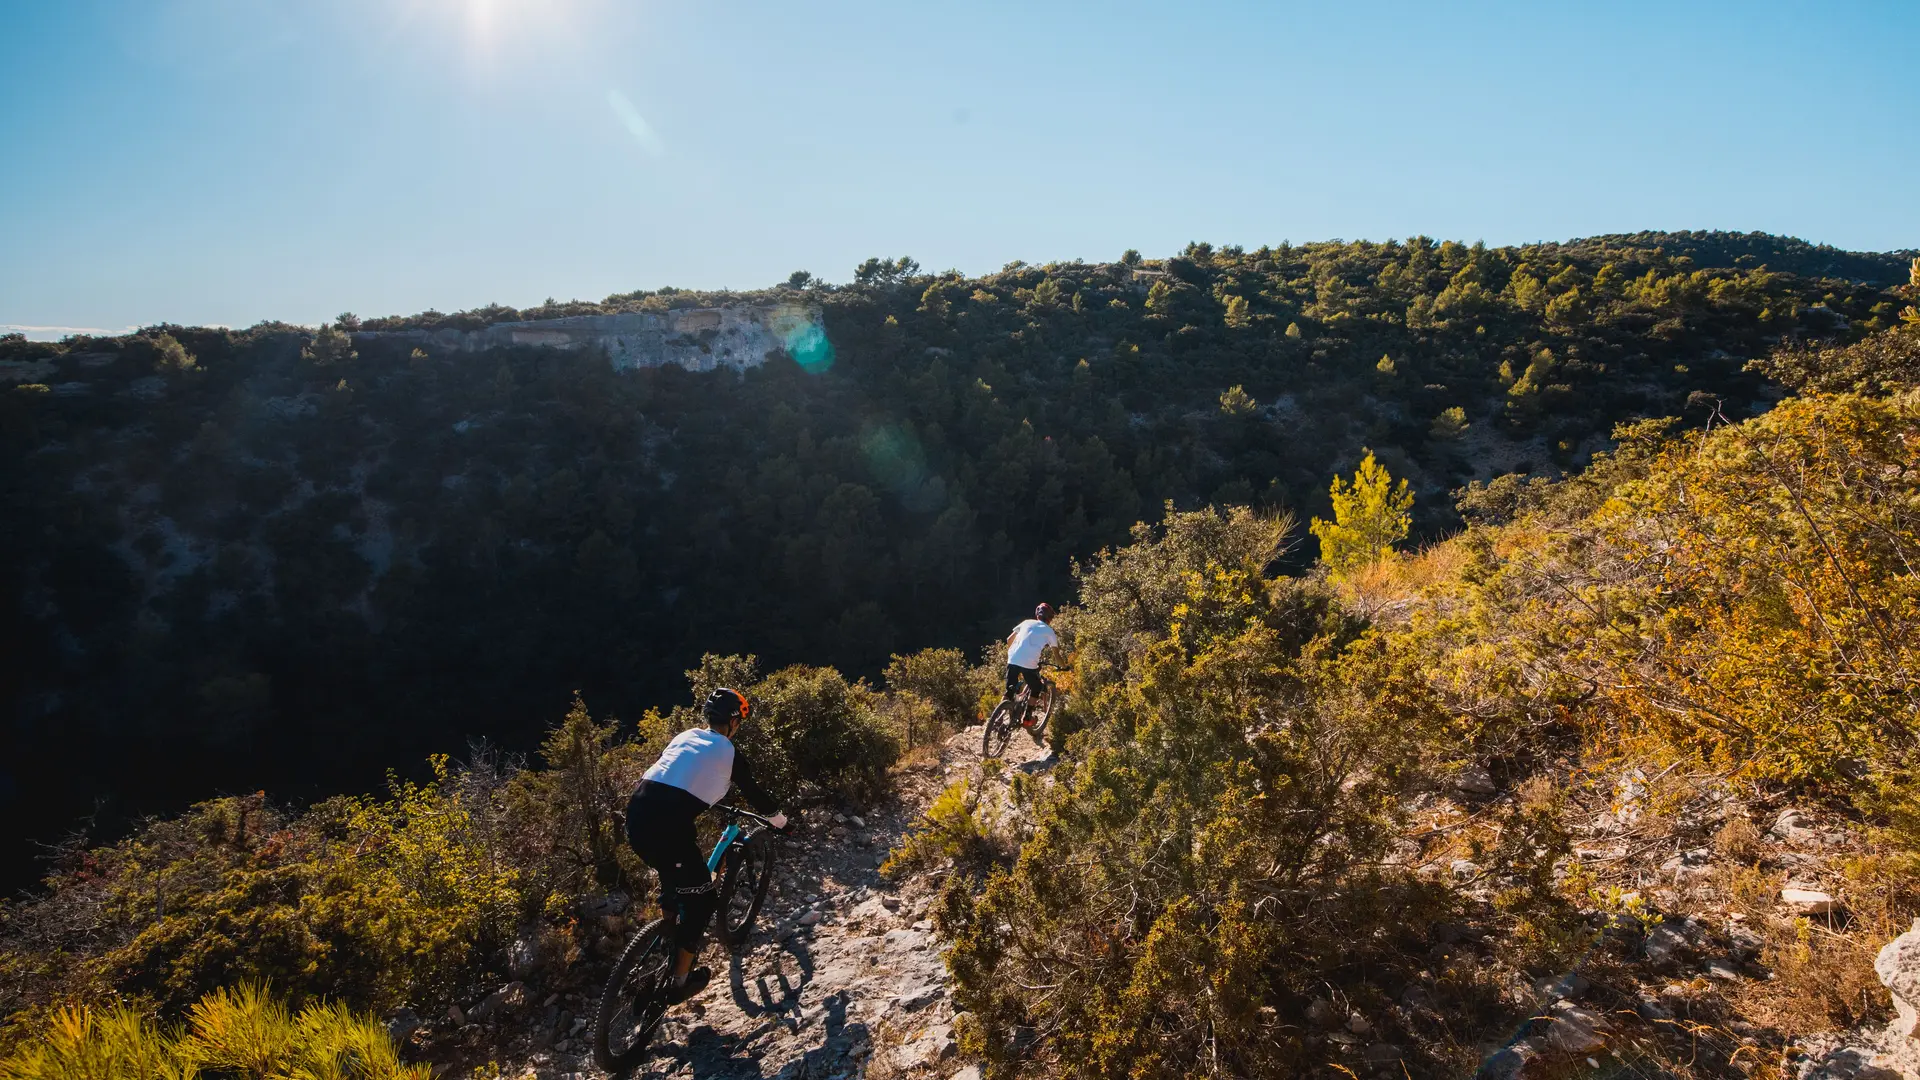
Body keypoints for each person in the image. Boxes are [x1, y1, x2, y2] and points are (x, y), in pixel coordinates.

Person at [624, 687, 787, 1004]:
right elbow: (753, 792)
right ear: (733, 721)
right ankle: (678, 983)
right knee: (703, 901)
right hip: (667, 828)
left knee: (674, 871)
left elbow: (679, 775)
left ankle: (668, 930)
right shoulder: (728, 752)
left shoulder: (685, 736)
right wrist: (781, 822)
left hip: (636, 814)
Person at [1003, 603, 1059, 741]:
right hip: (1029, 663)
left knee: (1010, 690)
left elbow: (1009, 640)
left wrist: (1015, 654)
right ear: (1050, 618)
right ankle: (1027, 718)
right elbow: (1057, 654)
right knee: (1036, 687)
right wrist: (1064, 666)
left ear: (1036, 615)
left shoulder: (1026, 622)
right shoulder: (1049, 631)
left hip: (1013, 658)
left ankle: (1000, 716)